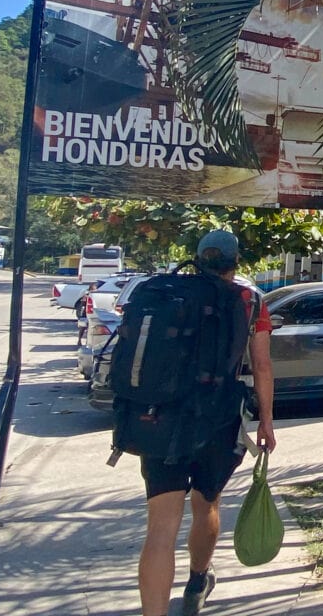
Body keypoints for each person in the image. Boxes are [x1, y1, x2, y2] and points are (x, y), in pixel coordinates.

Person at [137, 230, 277, 616]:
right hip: (215, 418)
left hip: (158, 417)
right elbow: (262, 365)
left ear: (197, 258)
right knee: (206, 504)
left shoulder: (166, 292)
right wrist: (266, 422)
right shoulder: (250, 301)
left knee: (161, 528)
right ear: (236, 263)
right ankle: (198, 579)